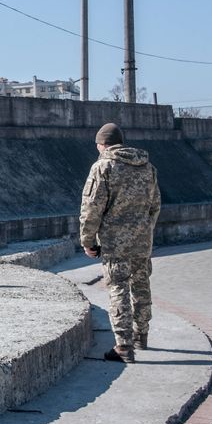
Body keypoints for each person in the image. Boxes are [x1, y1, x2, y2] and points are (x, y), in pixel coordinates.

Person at [79, 123, 161, 363]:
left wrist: (87, 240)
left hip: (115, 242)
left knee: (118, 288)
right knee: (141, 285)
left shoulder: (103, 167)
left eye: (97, 144)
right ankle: (141, 335)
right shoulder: (147, 167)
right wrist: (145, 230)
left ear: (102, 143)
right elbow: (155, 205)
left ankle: (123, 346)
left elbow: (92, 207)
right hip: (143, 239)